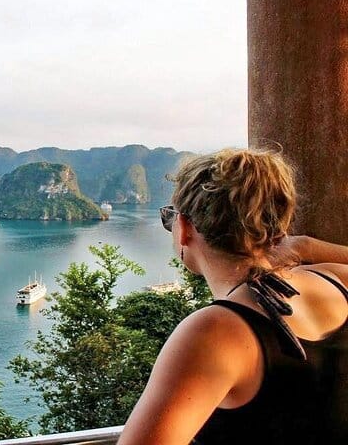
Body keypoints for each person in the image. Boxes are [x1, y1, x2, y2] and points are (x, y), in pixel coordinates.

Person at [118, 148, 348, 444]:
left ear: (185, 228)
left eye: (169, 219)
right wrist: (306, 247)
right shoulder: (335, 280)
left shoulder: (214, 332)